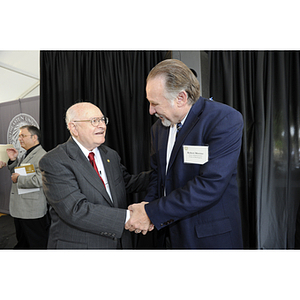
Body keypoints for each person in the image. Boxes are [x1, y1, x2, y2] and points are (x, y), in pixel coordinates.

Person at [125, 59, 244, 249]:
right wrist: (148, 208)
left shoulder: (224, 119)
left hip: (208, 238)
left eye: (155, 103)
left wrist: (150, 212)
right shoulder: (158, 128)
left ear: (180, 98)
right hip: (167, 235)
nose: (150, 111)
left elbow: (210, 185)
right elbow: (158, 176)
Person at [39, 102, 150, 249]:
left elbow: (125, 183)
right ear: (74, 127)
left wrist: (162, 173)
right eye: (94, 121)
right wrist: (132, 217)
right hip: (82, 246)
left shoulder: (110, 154)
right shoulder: (54, 161)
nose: (102, 125)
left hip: (119, 243)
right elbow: (75, 210)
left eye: (103, 120)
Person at [6, 125, 49, 249]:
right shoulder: (27, 154)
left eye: (23, 135)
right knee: (23, 241)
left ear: (34, 137)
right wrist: (13, 160)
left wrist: (19, 179)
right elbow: (16, 174)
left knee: (36, 244)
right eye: (19, 136)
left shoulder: (42, 156)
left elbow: (40, 180)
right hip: (21, 208)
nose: (20, 139)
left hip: (32, 210)